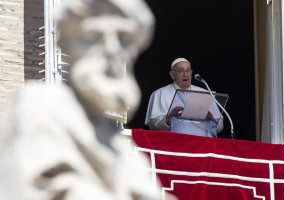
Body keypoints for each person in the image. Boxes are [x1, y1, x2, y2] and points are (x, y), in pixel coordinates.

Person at [0, 0, 165, 199]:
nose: (113, 49)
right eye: (94, 36)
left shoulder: (120, 145)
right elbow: (56, 188)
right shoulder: (38, 104)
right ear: (65, 42)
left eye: (124, 38)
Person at [145, 58, 224, 137]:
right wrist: (168, 120)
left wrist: (212, 121)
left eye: (188, 70)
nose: (185, 74)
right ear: (172, 75)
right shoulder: (160, 94)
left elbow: (220, 124)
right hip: (173, 143)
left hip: (202, 143)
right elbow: (153, 126)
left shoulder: (206, 93)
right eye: (181, 71)